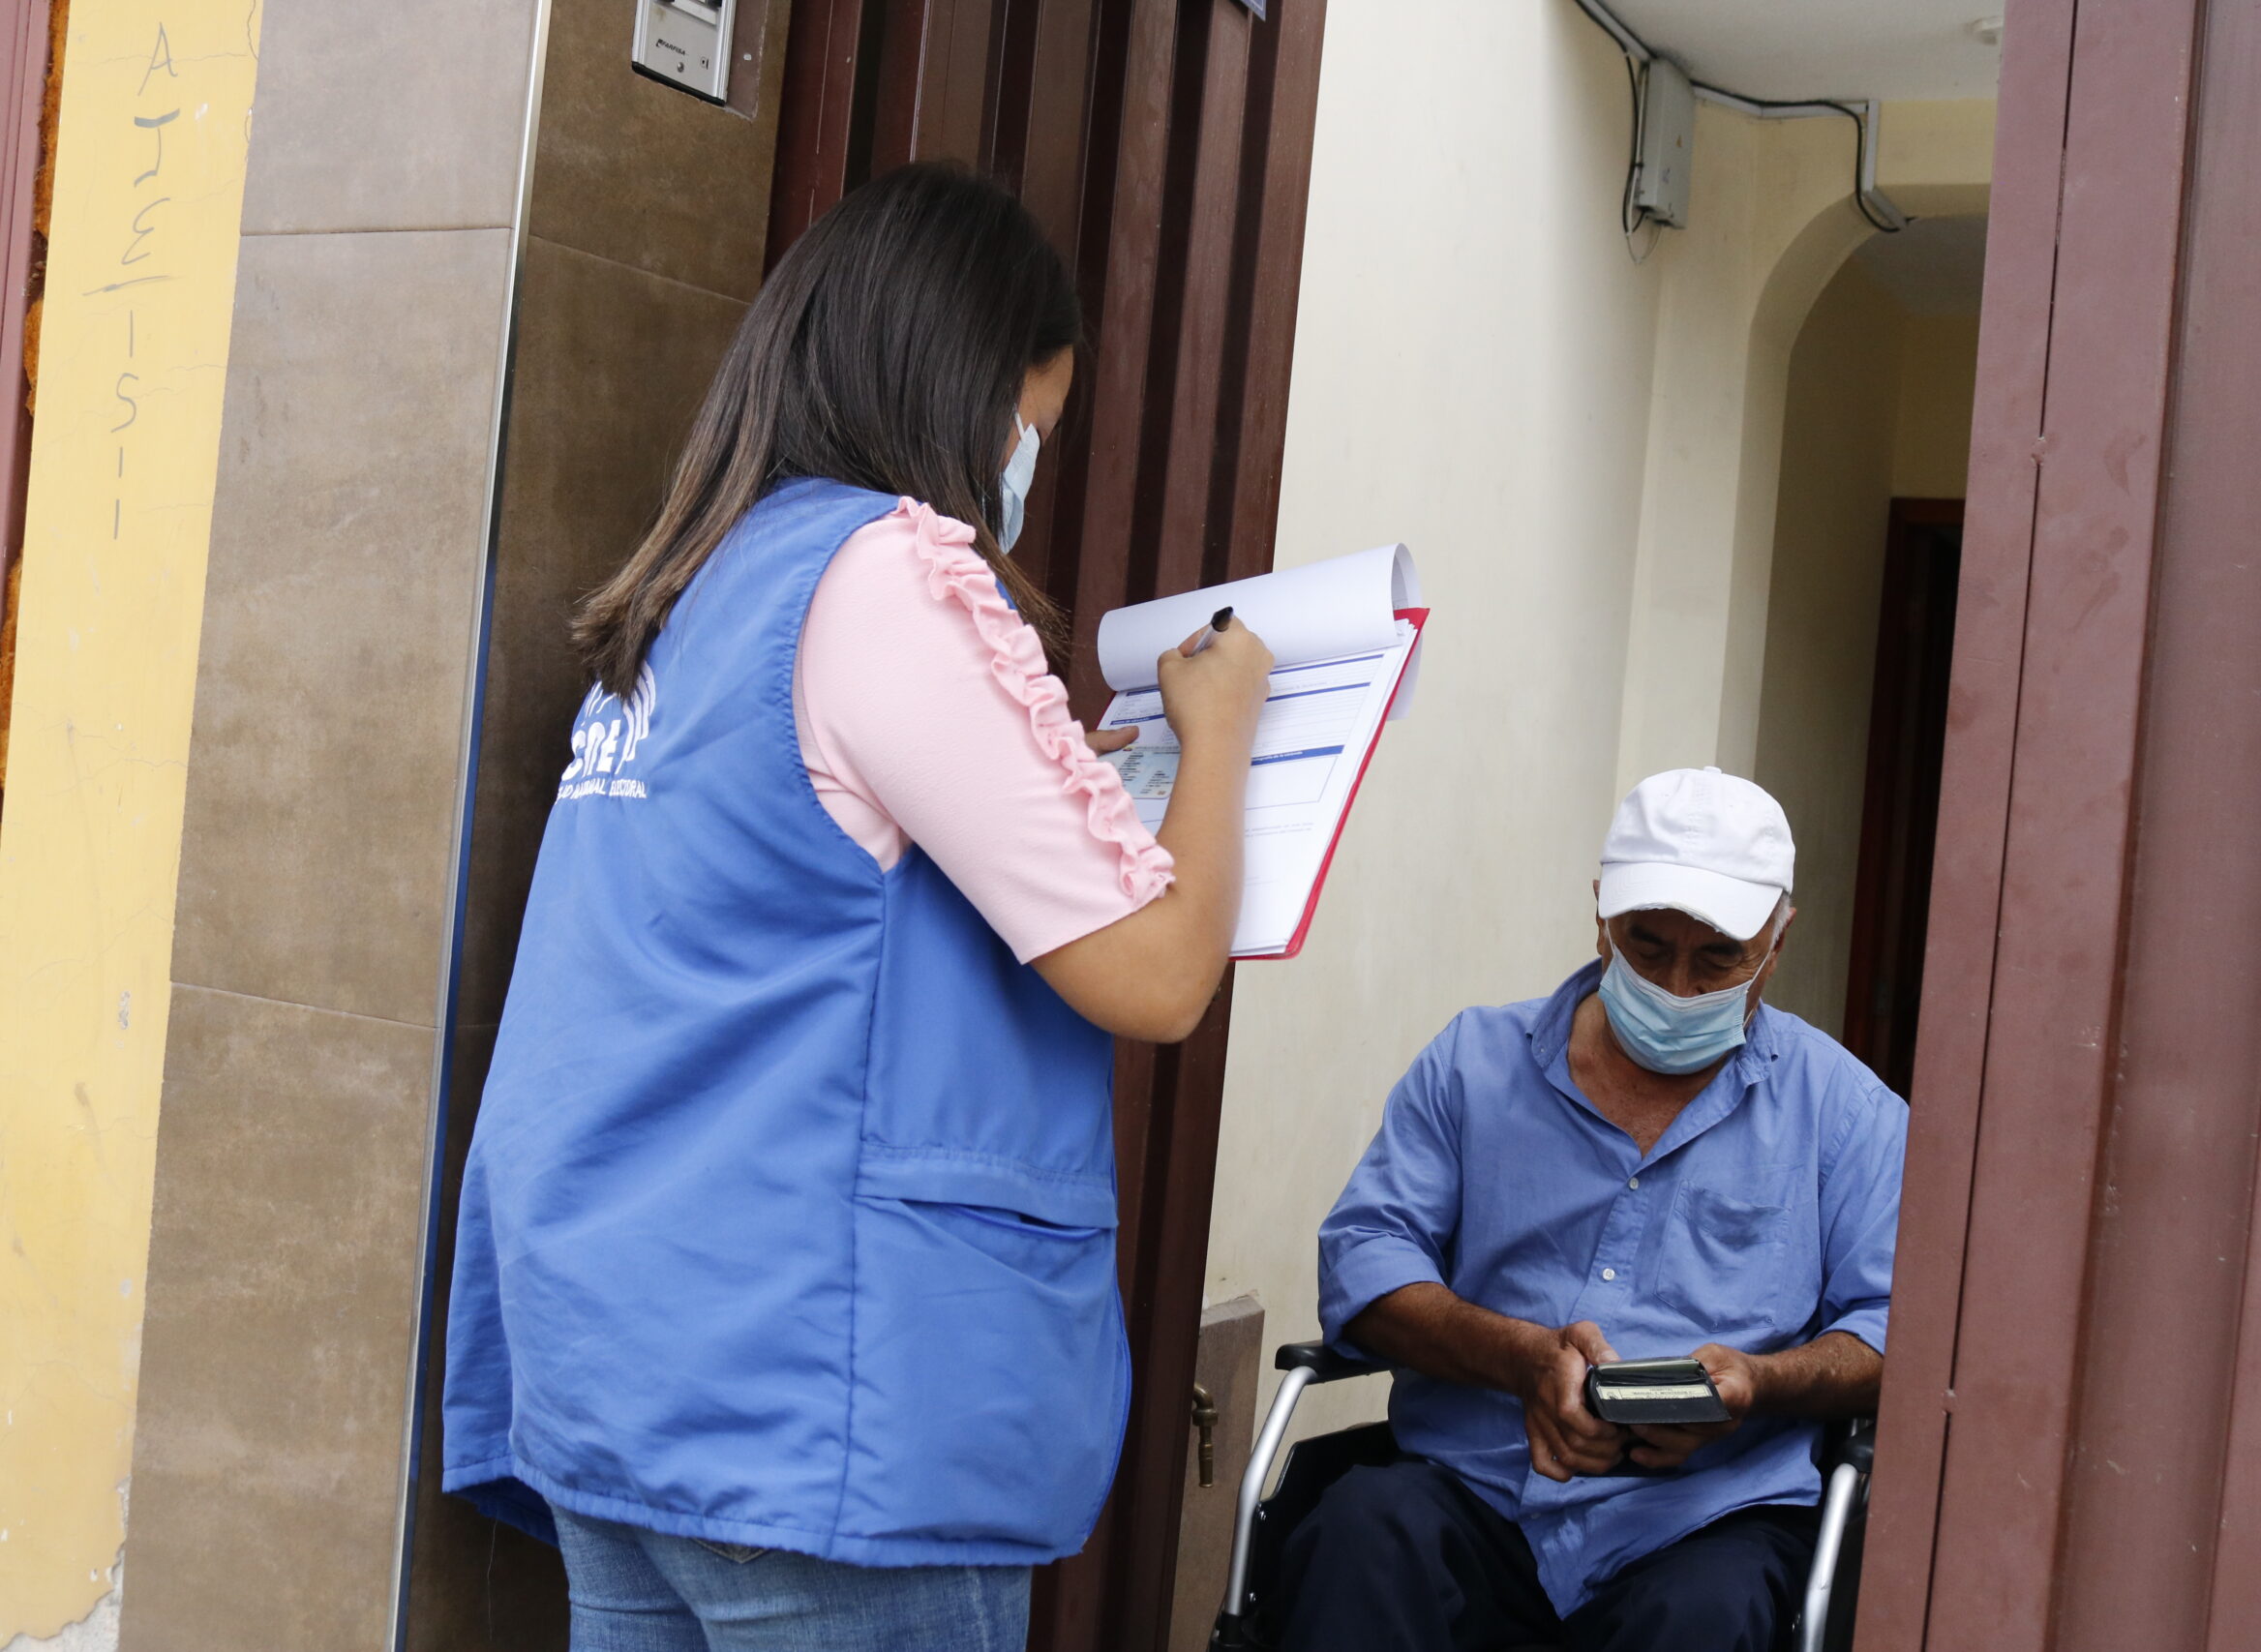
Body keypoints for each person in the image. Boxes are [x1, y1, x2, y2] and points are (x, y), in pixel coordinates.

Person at [440, 163, 1273, 1652]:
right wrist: (1217, 740)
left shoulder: (691, 588)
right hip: (812, 1401)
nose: (1023, 465)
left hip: (617, 1373)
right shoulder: (889, 572)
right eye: (1033, 426)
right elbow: (1157, 973)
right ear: (964, 385)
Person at [1281, 767, 1906, 1652]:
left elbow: (1890, 1329)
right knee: (1359, 1533)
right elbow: (1365, 1256)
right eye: (1647, 947)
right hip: (1471, 1492)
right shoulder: (1474, 1064)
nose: (1678, 989)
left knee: (1710, 1618)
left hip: (1702, 1522)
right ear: (1600, 910)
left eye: (1719, 958)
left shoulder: (1844, 1113)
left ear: (1779, 939)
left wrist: (1756, 1383)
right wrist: (1523, 1362)